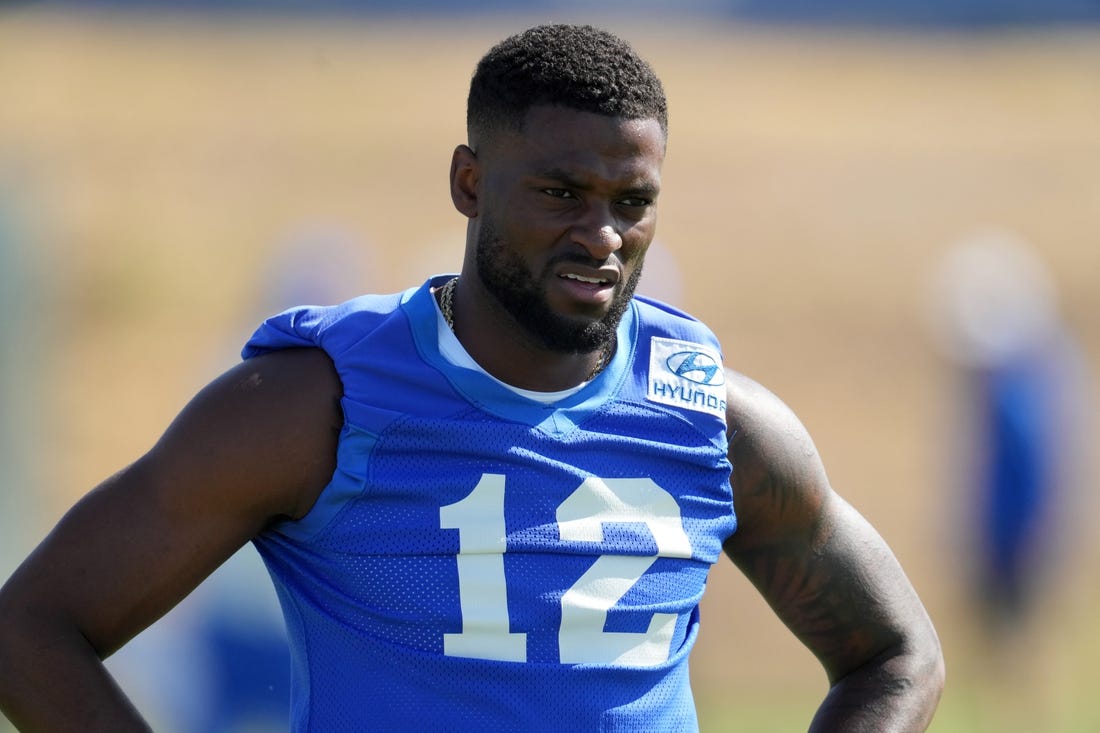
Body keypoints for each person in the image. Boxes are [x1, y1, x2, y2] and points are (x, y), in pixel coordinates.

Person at [0, 23, 944, 732]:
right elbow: (32, 626)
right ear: (468, 183)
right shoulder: (317, 405)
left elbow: (897, 656)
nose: (603, 236)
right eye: (561, 193)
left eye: (633, 203)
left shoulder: (711, 419)